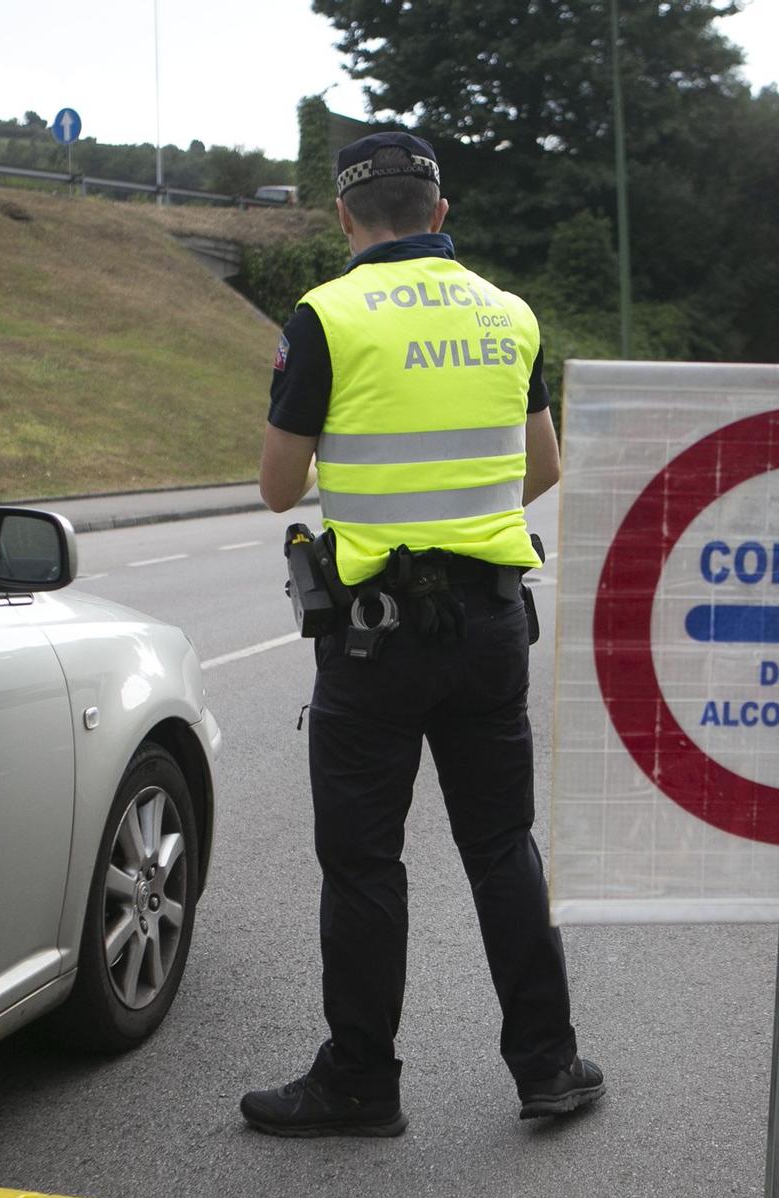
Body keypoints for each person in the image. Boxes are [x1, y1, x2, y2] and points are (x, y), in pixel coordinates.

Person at [240, 132, 603, 1137]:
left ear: (347, 221)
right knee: (500, 843)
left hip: (374, 636)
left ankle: (359, 1080)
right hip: (489, 622)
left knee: (364, 860)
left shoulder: (324, 315)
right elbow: (542, 468)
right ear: (440, 213)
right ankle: (547, 1064)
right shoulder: (509, 314)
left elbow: (277, 487)